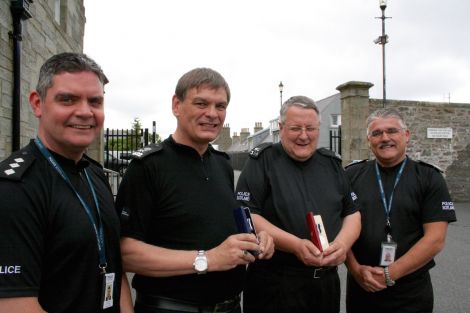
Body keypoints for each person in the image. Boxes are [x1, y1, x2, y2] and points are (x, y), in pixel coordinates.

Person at [115, 67, 274, 313]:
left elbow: (212, 229)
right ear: (176, 105)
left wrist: (255, 240)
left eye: (220, 106)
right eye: (201, 103)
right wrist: (207, 259)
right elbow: (125, 253)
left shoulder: (222, 163)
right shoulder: (148, 167)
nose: (212, 114)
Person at [0, 53, 132, 312]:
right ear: (37, 104)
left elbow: (116, 273)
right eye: (67, 99)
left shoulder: (94, 174)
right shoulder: (14, 188)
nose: (84, 111)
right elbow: (14, 304)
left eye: (95, 101)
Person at [235, 95, 361, 313]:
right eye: (295, 128)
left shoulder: (331, 164)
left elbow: (352, 213)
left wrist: (342, 244)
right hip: (275, 284)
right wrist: (295, 245)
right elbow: (247, 213)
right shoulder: (262, 161)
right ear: (281, 128)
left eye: (310, 128)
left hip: (325, 285)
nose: (304, 136)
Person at [344, 108, 457, 313]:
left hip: (410, 290)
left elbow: (435, 239)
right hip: (362, 286)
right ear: (369, 140)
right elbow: (340, 230)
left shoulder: (429, 177)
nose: (385, 138)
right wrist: (355, 269)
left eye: (392, 131)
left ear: (406, 135)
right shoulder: (351, 176)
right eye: (377, 133)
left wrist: (390, 274)